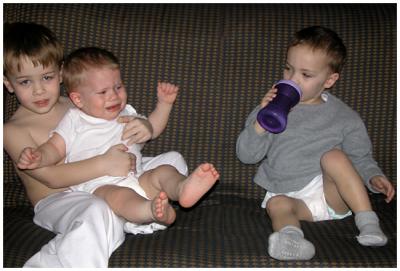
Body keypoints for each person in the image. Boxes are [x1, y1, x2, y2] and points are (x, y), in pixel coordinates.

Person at [3, 22, 188, 267]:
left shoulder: (78, 102)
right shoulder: (12, 130)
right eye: (25, 82)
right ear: (8, 84)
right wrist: (104, 164)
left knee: (173, 161)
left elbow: (121, 125)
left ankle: (135, 209)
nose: (39, 90)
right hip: (61, 199)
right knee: (95, 210)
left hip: (113, 177)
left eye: (46, 77)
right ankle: (125, 218)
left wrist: (144, 128)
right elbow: (51, 178)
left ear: (60, 73)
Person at [17, 46, 220, 232]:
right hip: (98, 186)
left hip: (137, 176)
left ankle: (181, 188)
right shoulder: (74, 120)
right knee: (121, 198)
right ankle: (152, 211)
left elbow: (152, 130)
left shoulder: (127, 113)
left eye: (118, 87)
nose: (113, 96)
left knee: (164, 172)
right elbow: (55, 148)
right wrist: (39, 156)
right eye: (103, 92)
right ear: (78, 99)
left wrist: (164, 105)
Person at [236, 26, 395, 261]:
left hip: (330, 194)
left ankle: (368, 222)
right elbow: (246, 155)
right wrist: (262, 119)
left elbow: (361, 157)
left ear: (329, 80)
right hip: (288, 193)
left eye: (306, 75)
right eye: (288, 69)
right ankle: (291, 239)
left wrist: (373, 176)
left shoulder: (344, 116)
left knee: (334, 157)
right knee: (277, 204)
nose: (292, 80)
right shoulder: (270, 108)